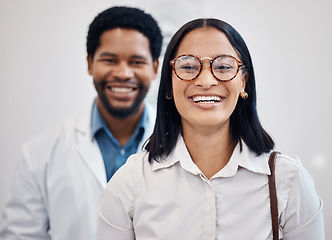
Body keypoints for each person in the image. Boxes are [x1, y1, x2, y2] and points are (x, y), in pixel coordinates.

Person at [96, 18, 325, 240]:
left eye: (224, 66)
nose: (206, 80)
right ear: (169, 83)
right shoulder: (130, 182)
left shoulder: (288, 180)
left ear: (243, 82)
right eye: (188, 66)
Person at [0, 6, 162, 240]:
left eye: (136, 62)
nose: (123, 73)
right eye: (110, 60)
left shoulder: (182, 143)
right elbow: (20, 235)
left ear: (155, 67)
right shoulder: (39, 153)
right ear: (89, 63)